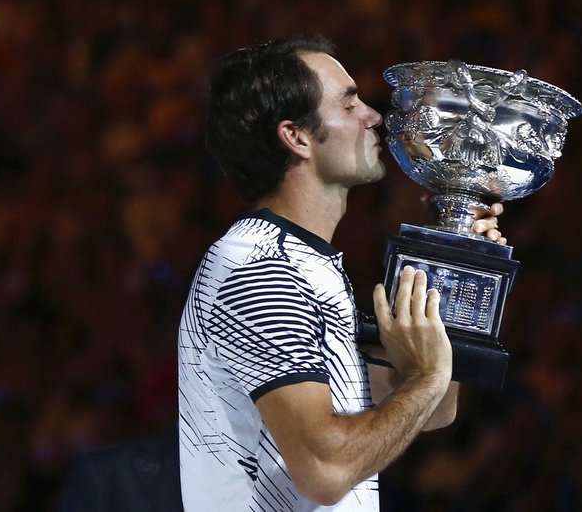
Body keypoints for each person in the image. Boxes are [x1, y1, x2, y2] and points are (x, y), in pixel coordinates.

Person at [178, 36, 505, 511]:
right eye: (350, 103)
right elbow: (325, 469)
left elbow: (431, 409)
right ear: (297, 137)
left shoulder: (306, 265)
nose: (373, 116)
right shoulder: (259, 268)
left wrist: (455, 262)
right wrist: (428, 378)